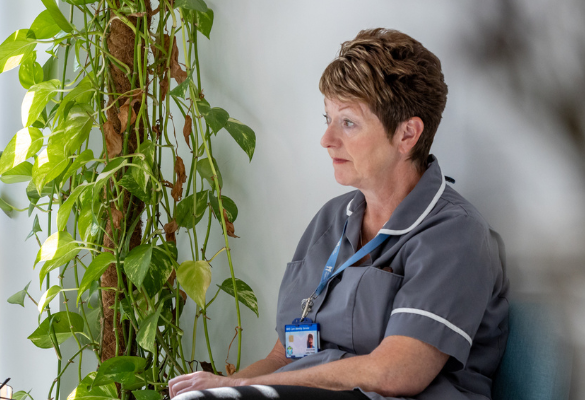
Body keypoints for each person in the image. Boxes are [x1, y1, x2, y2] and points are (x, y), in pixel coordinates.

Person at [168, 28, 509, 400]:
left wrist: (242, 387)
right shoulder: (333, 219)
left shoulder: (456, 233)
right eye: (327, 118)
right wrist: (225, 387)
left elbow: (396, 374)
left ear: (407, 135)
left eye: (348, 122)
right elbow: (286, 354)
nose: (327, 139)